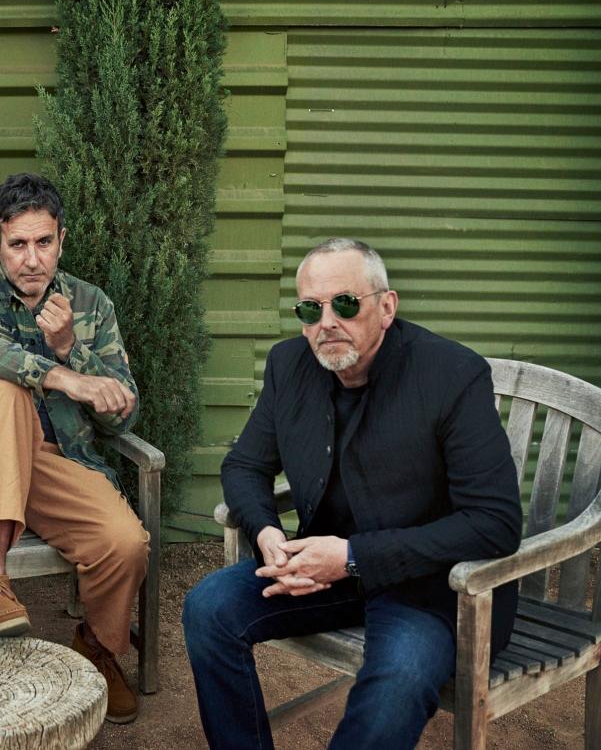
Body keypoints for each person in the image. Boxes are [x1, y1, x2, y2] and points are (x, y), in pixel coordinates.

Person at [182, 238, 523, 749]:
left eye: (345, 303)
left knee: (396, 683)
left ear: (386, 307)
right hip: (322, 571)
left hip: (431, 588)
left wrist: (354, 556)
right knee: (208, 608)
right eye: (309, 309)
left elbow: (495, 522)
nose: (327, 323)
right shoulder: (288, 365)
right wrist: (268, 532)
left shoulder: (451, 375)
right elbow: (246, 465)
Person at [0, 172, 150, 724]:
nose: (31, 259)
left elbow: (125, 412)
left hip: (52, 464)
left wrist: (73, 349)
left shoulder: (90, 304)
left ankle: (96, 646)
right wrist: (60, 375)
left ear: (61, 240)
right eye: (17, 244)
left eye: (43, 242)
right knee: (5, 392)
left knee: (126, 542)